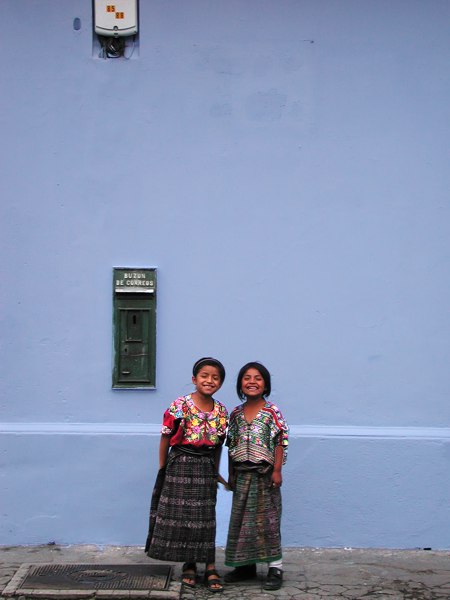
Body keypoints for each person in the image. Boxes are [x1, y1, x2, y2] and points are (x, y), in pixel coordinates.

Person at [145, 357, 228, 592]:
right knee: (184, 519)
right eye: (204, 376)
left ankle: (210, 565)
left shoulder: (221, 411)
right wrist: (163, 468)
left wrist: (217, 471)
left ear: (220, 383)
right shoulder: (180, 405)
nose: (209, 380)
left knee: (205, 518)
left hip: (205, 467)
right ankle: (189, 565)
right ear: (194, 379)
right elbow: (165, 437)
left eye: (215, 377)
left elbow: (219, 444)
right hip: (180, 463)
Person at [224, 362, 289, 591]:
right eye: (247, 378)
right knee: (242, 521)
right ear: (240, 384)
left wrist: (277, 470)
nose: (252, 382)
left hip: (265, 476)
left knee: (268, 522)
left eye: (258, 378)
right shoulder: (236, 414)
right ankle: (245, 566)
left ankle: (275, 567)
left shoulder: (272, 412)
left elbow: (280, 441)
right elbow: (231, 445)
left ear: (265, 384)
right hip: (242, 475)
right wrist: (231, 474)